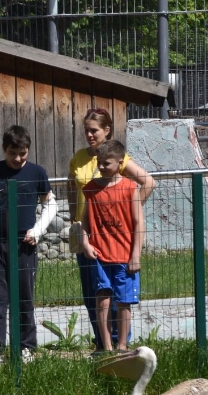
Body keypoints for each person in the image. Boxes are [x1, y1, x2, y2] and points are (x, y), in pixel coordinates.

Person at [67, 108, 155, 355]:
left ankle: (120, 344)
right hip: (89, 234)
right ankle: (101, 344)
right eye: (86, 130)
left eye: (94, 130)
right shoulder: (79, 158)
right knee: (93, 292)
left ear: (106, 130)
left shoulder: (117, 158)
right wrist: (74, 218)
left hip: (117, 237)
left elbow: (148, 182)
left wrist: (128, 209)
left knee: (119, 296)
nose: (89, 134)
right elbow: (71, 186)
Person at [0, 125, 57, 367]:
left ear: (28, 150)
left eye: (23, 153)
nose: (18, 159)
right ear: (4, 150)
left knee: (24, 298)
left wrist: (37, 231)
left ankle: (26, 348)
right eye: (13, 153)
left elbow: (50, 205)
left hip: (24, 245)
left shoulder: (37, 172)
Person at [80, 139, 148, 354]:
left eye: (106, 163)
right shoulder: (91, 189)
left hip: (124, 255)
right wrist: (85, 243)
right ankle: (106, 347)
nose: (101, 167)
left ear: (120, 163)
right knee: (102, 300)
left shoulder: (130, 188)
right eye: (99, 162)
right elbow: (85, 223)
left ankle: (122, 347)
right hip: (100, 255)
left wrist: (135, 255)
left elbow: (139, 223)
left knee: (124, 302)